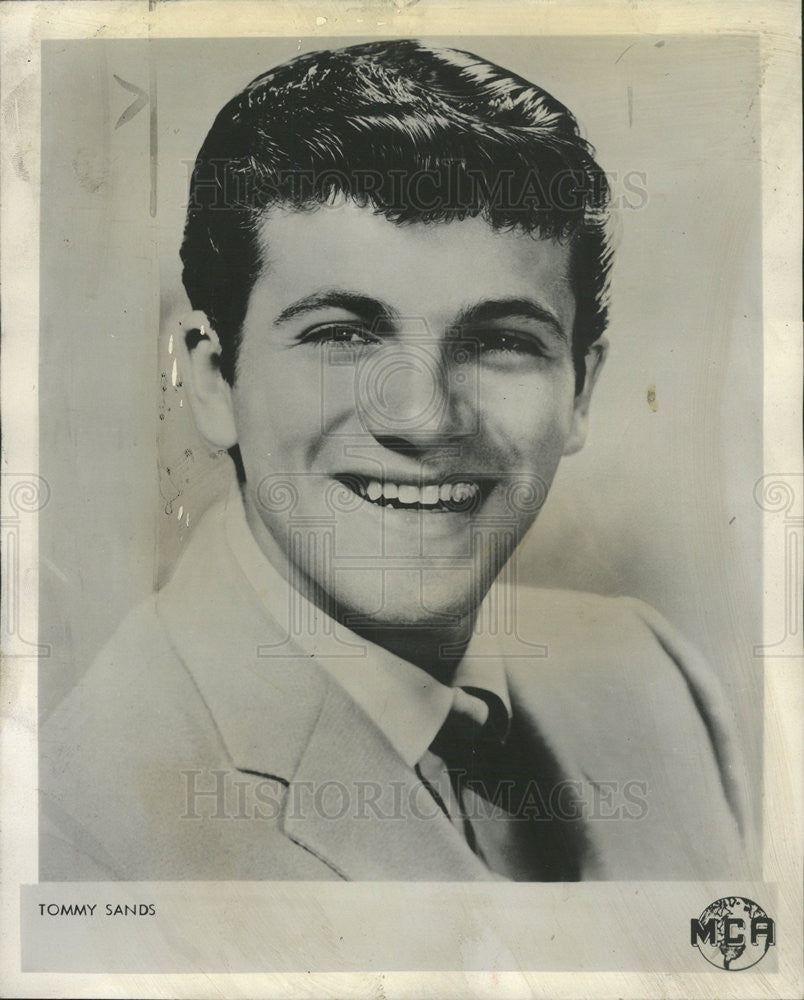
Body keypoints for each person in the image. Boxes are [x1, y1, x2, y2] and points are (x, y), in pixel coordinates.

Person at [40, 39, 750, 881]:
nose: (422, 419)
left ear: (581, 391)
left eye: (500, 341)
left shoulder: (652, 679)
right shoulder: (76, 828)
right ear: (212, 378)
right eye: (341, 334)